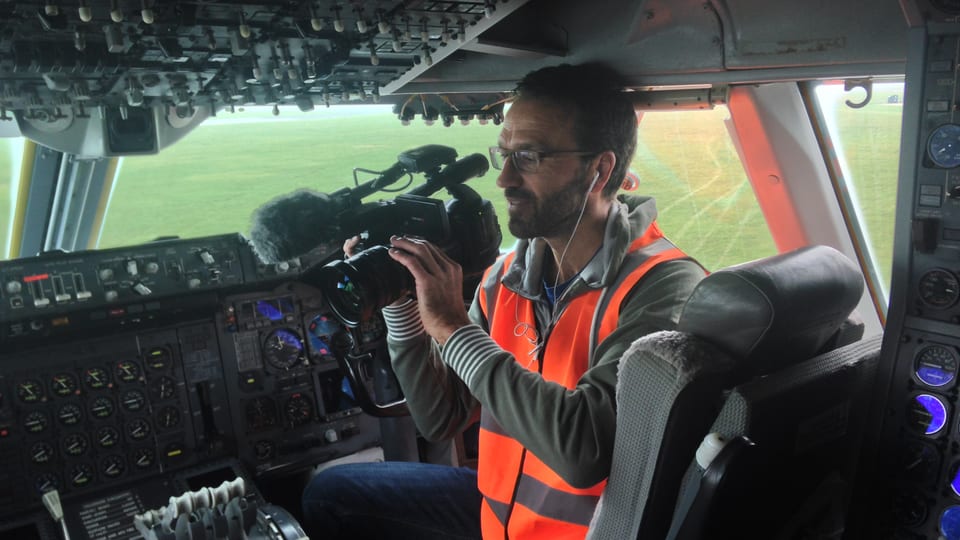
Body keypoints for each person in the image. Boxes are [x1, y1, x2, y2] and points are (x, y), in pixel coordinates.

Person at [301, 62, 707, 540]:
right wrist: (401, 299)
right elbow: (442, 416)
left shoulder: (662, 287)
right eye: (504, 155)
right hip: (498, 515)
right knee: (332, 493)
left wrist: (454, 329)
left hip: (582, 532)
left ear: (599, 170)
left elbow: (585, 452)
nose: (505, 179)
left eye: (530, 157)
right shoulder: (506, 277)